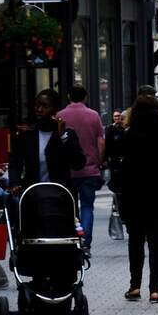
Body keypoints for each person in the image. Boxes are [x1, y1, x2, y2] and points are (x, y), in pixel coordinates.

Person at [118, 96, 158, 303]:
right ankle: (155, 289)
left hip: (134, 194)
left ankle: (135, 285)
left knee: (135, 240)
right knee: (156, 241)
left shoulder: (129, 135)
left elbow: (120, 164)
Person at [8, 89, 86, 195]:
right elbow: (15, 162)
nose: (39, 109)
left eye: (45, 106)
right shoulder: (27, 135)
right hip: (34, 194)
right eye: (37, 105)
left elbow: (78, 163)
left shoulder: (66, 134)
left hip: (60, 195)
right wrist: (14, 183)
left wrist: (63, 136)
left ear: (55, 109)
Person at [56, 85, 106, 251]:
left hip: (67, 171)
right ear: (85, 97)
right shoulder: (93, 116)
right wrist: (99, 161)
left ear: (69, 96)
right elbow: (100, 142)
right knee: (87, 206)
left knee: (70, 207)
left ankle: (72, 239)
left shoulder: (60, 116)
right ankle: (85, 241)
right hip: (89, 169)